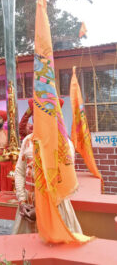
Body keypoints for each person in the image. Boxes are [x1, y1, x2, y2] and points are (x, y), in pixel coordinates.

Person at [12, 98, 82, 235]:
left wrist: (41, 211)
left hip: (55, 206)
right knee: (26, 250)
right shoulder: (28, 141)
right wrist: (21, 201)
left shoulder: (64, 144)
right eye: (35, 115)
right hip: (28, 205)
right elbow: (20, 171)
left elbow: (65, 184)